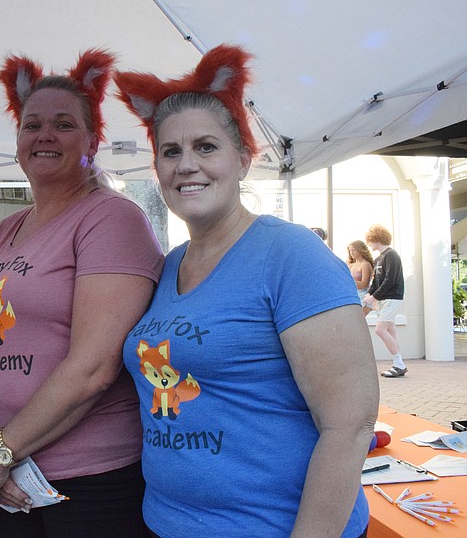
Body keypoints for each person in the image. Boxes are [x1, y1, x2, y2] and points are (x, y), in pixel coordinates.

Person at [114, 44, 378, 536]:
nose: (186, 164)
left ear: (242, 158)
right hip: (165, 522)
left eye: (205, 147)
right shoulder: (169, 266)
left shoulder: (292, 255)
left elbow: (350, 426)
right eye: (170, 152)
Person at [0, 49, 165, 537]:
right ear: (17, 141)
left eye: (63, 124)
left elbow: (94, 368)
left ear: (92, 141)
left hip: (90, 481)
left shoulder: (111, 218)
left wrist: (0, 452)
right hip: (10, 478)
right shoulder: (5, 229)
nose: (45, 136)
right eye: (32, 125)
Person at [363, 224, 407, 377]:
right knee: (390, 330)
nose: (369, 243)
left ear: (377, 239)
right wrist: (369, 295)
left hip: (392, 298)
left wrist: (374, 296)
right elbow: (376, 282)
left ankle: (399, 364)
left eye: (370, 240)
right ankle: (398, 363)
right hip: (385, 299)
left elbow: (390, 279)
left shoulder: (391, 255)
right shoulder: (378, 259)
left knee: (380, 330)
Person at [347, 239, 375, 316]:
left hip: (364, 298)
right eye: (350, 250)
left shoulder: (366, 264)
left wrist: (349, 282)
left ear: (361, 250)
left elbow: (364, 284)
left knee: (358, 321)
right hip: (353, 296)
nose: (351, 252)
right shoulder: (351, 265)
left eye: (353, 250)